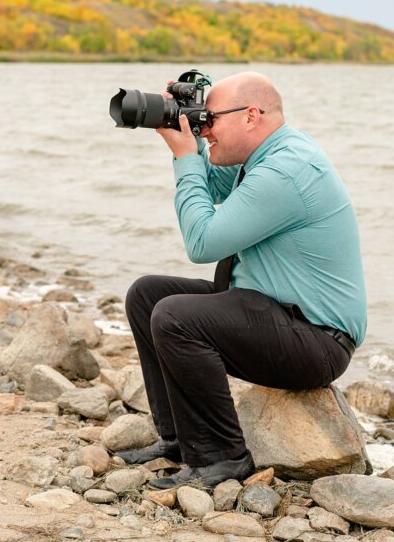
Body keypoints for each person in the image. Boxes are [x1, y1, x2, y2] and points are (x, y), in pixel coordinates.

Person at [119, 71, 367, 489]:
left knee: (176, 316)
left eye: (211, 119)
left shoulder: (287, 169)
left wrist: (186, 158)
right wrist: (187, 138)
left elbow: (203, 243)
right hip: (271, 310)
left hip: (316, 340)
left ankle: (221, 459)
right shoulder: (267, 155)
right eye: (203, 118)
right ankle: (179, 439)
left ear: (251, 116)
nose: (206, 127)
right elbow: (214, 182)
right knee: (147, 295)